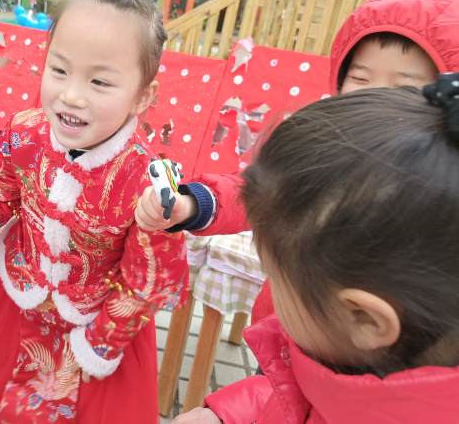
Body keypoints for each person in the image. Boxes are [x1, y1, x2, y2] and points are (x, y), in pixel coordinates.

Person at [0, 0, 189, 424]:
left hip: (96, 335)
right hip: (15, 310)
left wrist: (101, 342)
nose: (72, 95)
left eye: (100, 81)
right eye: (59, 70)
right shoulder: (26, 131)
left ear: (143, 95)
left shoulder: (144, 180)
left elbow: (146, 281)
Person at [135, 0, 459, 323]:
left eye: (404, 86)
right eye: (360, 78)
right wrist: (191, 203)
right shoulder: (329, 150)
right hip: (289, 333)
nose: (375, 96)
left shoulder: (442, 188)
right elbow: (259, 192)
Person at [172, 80, 459, 423]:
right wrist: (227, 415)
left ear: (365, 319)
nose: (271, 298)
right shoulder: (349, 357)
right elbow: (301, 393)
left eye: (274, 277)